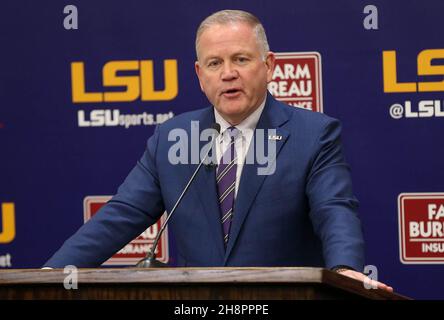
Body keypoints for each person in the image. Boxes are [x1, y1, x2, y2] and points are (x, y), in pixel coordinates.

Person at [45, 9, 393, 292]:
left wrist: (344, 269)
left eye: (240, 59)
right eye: (214, 63)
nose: (228, 74)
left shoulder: (314, 134)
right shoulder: (173, 137)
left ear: (268, 66)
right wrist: (53, 273)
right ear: (199, 74)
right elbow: (120, 215)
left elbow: (335, 211)